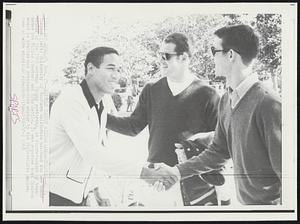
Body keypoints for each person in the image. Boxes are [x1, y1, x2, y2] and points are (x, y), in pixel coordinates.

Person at [151, 24, 282, 205]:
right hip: (245, 207)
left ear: (230, 55)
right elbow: (218, 151)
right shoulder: (226, 99)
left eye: (214, 50)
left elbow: (289, 175)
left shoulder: (269, 104)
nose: (211, 57)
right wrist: (177, 172)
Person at [106, 33, 221, 206]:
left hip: (194, 184)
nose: (160, 60)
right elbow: (133, 127)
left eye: (165, 56)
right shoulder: (151, 89)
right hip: (157, 180)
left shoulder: (208, 94)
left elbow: (219, 142)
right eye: (159, 55)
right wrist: (99, 117)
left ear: (183, 57)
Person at [49, 47, 145, 206]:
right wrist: (143, 172)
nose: (116, 76)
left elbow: (97, 147)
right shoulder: (72, 100)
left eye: (118, 70)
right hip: (55, 196)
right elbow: (93, 153)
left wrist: (95, 189)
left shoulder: (101, 103)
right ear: (91, 69)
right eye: (110, 68)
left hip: (78, 196)